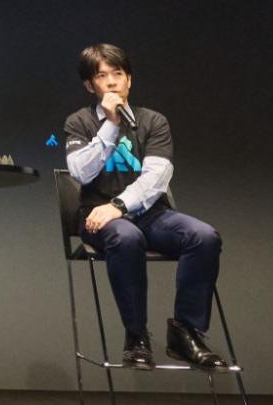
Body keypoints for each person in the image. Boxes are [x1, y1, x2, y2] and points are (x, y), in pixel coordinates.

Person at [63, 43, 227, 370]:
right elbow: (80, 172)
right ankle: (136, 336)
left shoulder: (153, 121)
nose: (112, 82)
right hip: (98, 217)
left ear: (130, 79)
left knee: (204, 236)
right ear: (90, 86)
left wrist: (119, 205)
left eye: (118, 74)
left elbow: (157, 176)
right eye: (102, 76)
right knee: (126, 237)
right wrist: (110, 125)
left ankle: (185, 332)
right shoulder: (79, 121)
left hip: (151, 214)